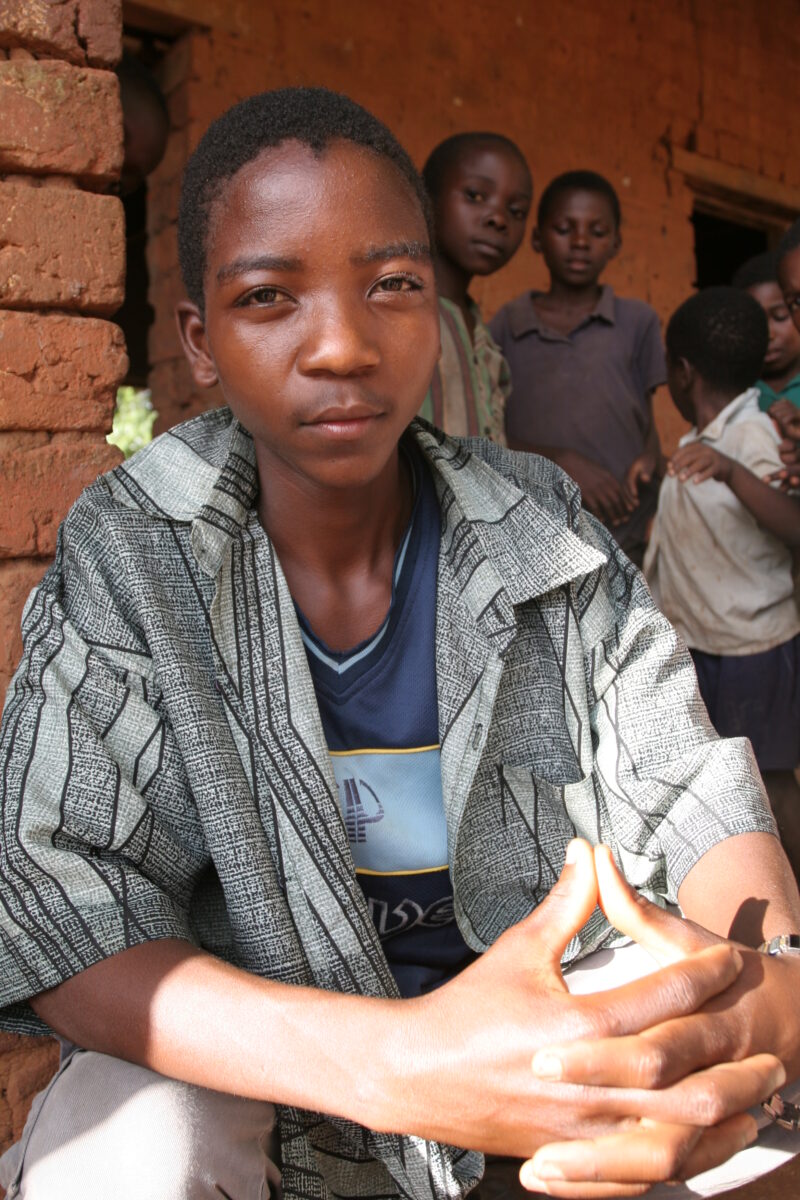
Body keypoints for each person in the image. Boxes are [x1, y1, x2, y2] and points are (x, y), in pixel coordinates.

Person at [0, 89, 799, 1200]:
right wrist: (405, 1069)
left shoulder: (540, 530)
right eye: (269, 296)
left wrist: (768, 985)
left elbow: (688, 790)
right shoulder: (136, 550)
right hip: (266, 1093)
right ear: (201, 341)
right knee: (125, 1148)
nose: (340, 345)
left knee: (742, 1140)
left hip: (541, 1085)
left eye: (389, 286)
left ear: (439, 312)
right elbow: (58, 893)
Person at [644, 286, 800, 879]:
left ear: (682, 372)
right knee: (722, 778)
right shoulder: (699, 442)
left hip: (755, 649)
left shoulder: (754, 436)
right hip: (703, 644)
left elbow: (793, 523)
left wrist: (733, 473)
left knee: (772, 780)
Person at [489, 170, 666, 567]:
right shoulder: (506, 325)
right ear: (538, 239)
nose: (581, 242)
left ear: (616, 243)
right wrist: (561, 464)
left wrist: (651, 460)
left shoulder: (637, 322)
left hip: (620, 536)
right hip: (532, 538)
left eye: (597, 231)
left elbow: (647, 426)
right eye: (564, 229)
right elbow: (488, 432)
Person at [418, 132, 532, 442]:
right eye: (476, 196)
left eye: (516, 211)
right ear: (425, 196)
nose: (498, 219)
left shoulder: (485, 341)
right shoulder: (400, 315)